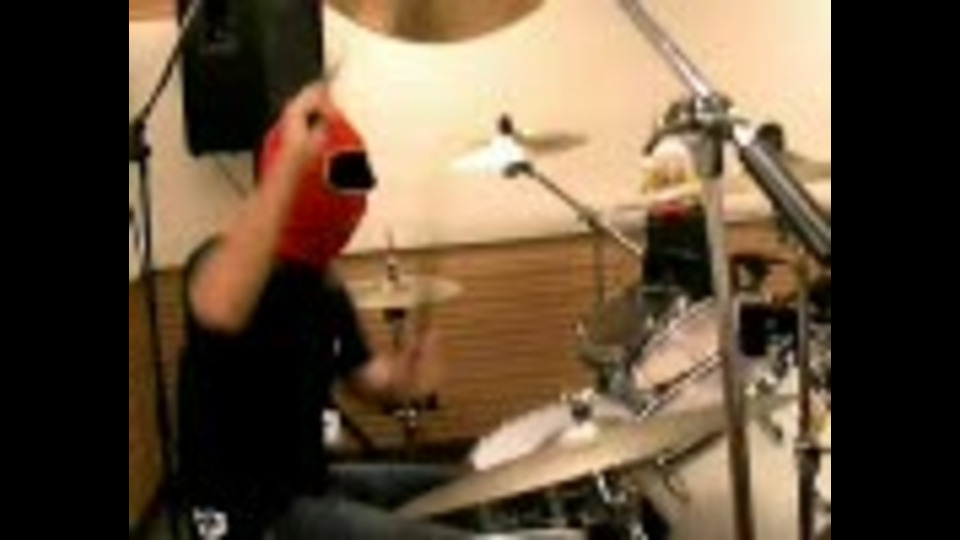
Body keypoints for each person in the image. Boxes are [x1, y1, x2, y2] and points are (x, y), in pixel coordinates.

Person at [175, 82, 470, 540]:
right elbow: (222, 308)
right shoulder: (218, 263)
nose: (356, 198)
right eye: (344, 177)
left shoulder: (321, 283)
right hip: (251, 516)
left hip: (310, 486)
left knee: (468, 489)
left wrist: (402, 379)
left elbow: (364, 377)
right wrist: (291, 160)